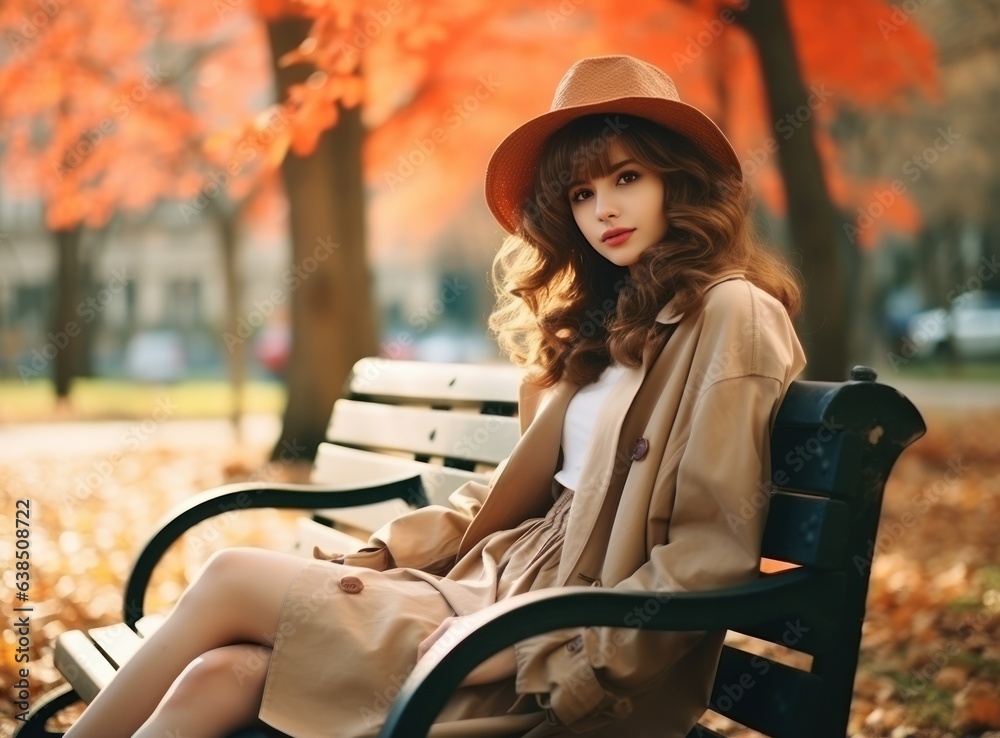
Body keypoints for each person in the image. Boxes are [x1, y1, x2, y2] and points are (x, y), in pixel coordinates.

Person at [64, 54, 806, 738]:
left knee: (230, 576)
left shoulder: (731, 315)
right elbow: (518, 500)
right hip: (491, 588)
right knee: (219, 676)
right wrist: (386, 555)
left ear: (679, 181)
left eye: (627, 178)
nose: (603, 209)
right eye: (582, 193)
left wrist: (530, 652)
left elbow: (709, 552)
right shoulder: (608, 322)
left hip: (569, 640)